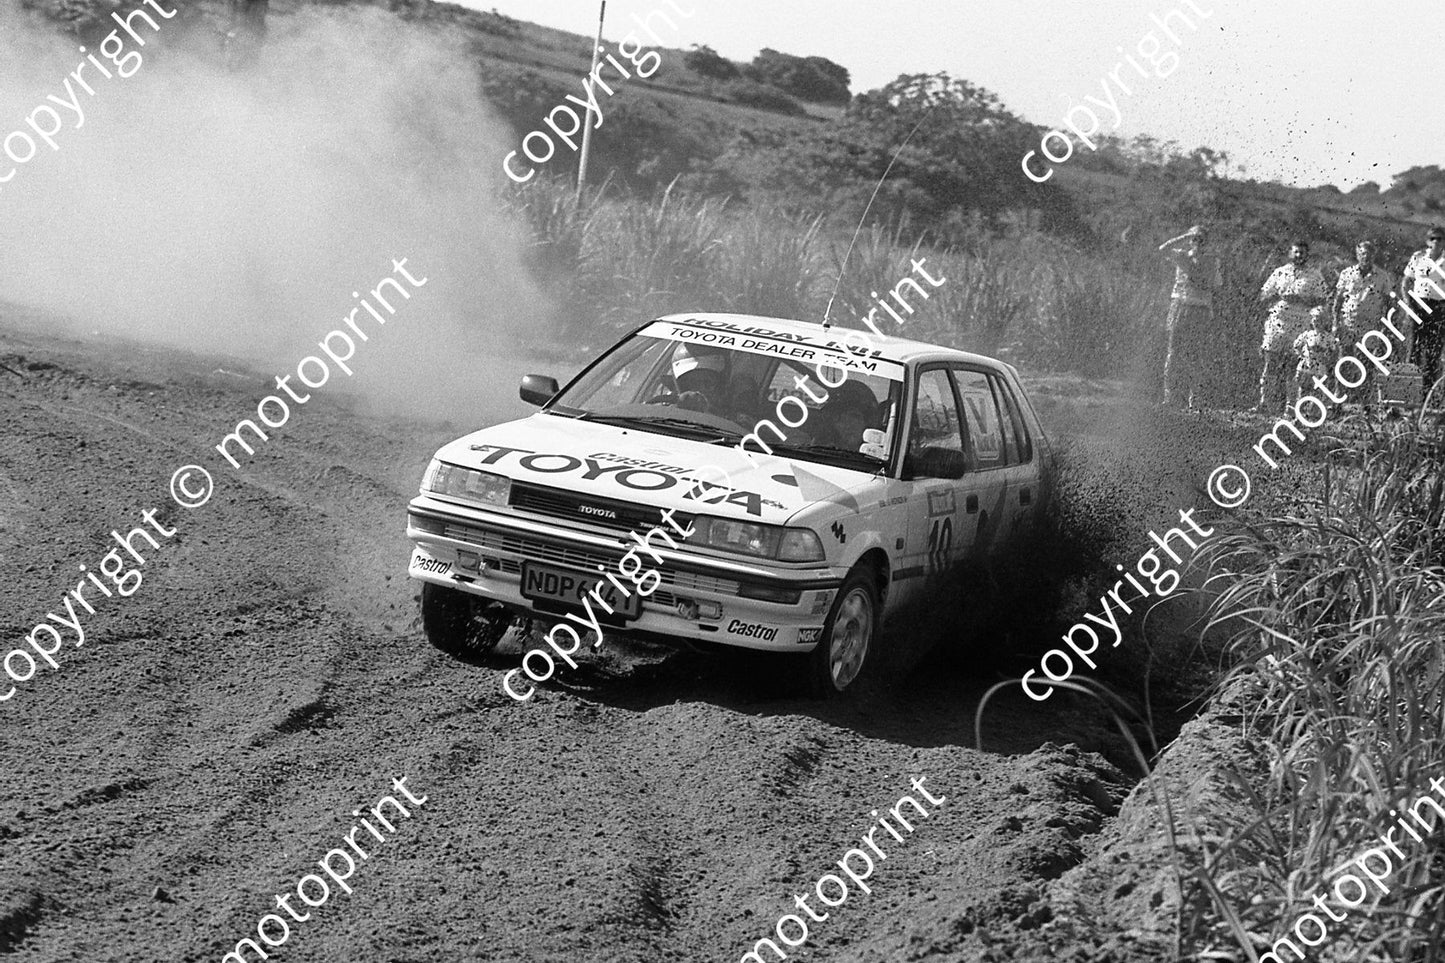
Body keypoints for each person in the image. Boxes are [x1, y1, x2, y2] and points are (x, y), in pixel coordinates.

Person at [1256, 240, 1328, 413]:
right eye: (1296, 252)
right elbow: (1264, 294)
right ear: (1290, 253)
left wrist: (1301, 300)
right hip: (1277, 322)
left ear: (1307, 255)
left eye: (1302, 253)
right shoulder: (1280, 272)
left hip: (1300, 324)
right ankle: (1264, 402)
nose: (1299, 255)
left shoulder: (1315, 275)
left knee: (1293, 366)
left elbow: (1322, 299)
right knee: (1271, 363)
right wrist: (1279, 297)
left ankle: (1291, 406)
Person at [1157, 225, 1223, 409]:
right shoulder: (1181, 255)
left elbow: (1215, 285)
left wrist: (1199, 276)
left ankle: (1195, 399)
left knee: (1196, 354)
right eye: (1195, 239)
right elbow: (1163, 249)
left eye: (1202, 240)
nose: (1198, 243)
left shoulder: (1212, 261)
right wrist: (1185, 236)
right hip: (1180, 305)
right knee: (1174, 352)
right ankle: (1169, 397)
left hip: (1199, 309)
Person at [1332, 239, 1394, 406]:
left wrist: (1385, 328)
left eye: (1369, 254)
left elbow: (1389, 304)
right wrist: (1335, 324)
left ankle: (1364, 404)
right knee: (1343, 361)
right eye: (1362, 254)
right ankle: (1338, 400)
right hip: (1348, 323)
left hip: (1370, 326)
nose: (1366, 257)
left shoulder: (1382, 277)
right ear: (1357, 254)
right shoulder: (1347, 273)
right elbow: (1337, 301)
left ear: (1374, 256)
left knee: (1366, 364)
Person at [1400, 226, 1445, 399]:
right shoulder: (1418, 257)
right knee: (1414, 349)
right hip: (1418, 304)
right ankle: (1408, 393)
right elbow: (1406, 281)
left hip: (1439, 306)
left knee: (1433, 351)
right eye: (1433, 238)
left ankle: (1428, 396)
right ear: (1427, 241)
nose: (1436, 242)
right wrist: (1407, 304)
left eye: (1440, 239)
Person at [1292, 307, 1338, 407]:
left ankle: (1314, 411)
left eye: (1320, 321)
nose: (1317, 323)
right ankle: (1300, 409)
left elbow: (1334, 350)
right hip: (1307, 366)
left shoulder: (1328, 337)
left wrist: (1328, 360)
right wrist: (1301, 355)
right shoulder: (1308, 335)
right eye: (1315, 320)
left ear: (1325, 322)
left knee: (1317, 390)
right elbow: (1296, 345)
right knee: (1304, 389)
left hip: (1320, 368)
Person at [670, 344, 728, 414]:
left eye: (707, 383)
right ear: (682, 386)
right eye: (693, 383)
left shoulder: (733, 417)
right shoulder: (666, 414)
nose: (700, 391)